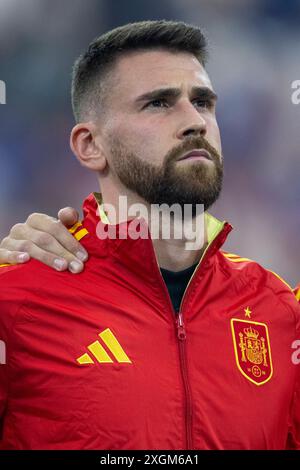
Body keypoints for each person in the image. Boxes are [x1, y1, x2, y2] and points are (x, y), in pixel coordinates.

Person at [0, 20, 299, 450]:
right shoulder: (16, 303)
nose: (195, 121)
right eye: (159, 103)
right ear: (90, 145)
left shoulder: (280, 312)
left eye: (203, 102)